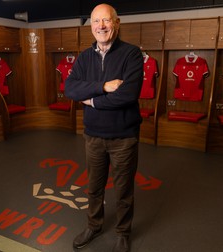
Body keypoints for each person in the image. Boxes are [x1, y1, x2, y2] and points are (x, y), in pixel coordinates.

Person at [65, 3, 144, 252]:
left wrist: (89, 100)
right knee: (94, 188)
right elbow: (70, 89)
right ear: (91, 26)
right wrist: (104, 86)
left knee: (123, 191)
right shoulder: (85, 57)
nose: (101, 26)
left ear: (116, 23)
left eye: (106, 21)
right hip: (93, 137)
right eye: (97, 21)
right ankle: (94, 225)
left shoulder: (132, 54)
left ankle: (122, 232)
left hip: (123, 138)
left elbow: (127, 96)